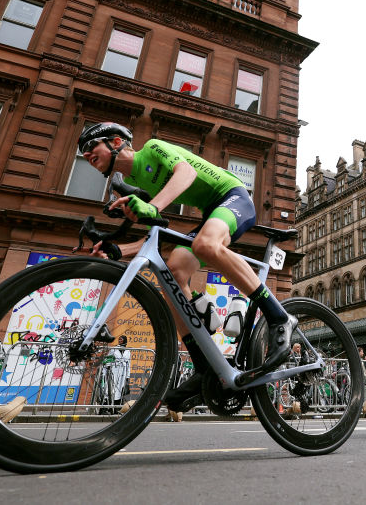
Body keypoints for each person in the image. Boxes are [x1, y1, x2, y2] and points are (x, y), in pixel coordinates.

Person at [77, 122, 297, 414]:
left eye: (91, 148)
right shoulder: (139, 182)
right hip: (211, 212)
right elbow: (155, 238)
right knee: (173, 269)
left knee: (206, 244)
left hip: (233, 197)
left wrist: (152, 206)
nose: (87, 156)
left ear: (116, 142)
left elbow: (187, 173)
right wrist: (118, 250)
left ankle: (279, 316)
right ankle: (204, 366)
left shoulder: (152, 149)